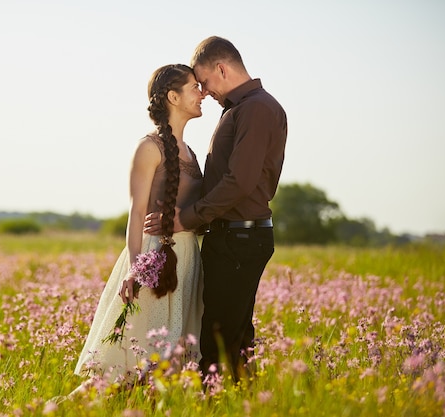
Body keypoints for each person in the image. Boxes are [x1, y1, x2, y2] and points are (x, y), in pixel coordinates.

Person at [145, 36, 287, 381]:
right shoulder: (242, 109)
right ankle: (239, 402)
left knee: (218, 341)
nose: (204, 92)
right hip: (232, 236)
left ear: (221, 68)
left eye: (204, 82)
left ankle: (219, 404)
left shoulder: (255, 108)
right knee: (234, 340)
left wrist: (186, 219)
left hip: (239, 238)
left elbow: (239, 181)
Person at [71, 64, 205, 389]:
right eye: (194, 87)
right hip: (154, 259)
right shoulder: (149, 147)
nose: (202, 93)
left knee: (169, 365)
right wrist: (135, 268)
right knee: (130, 364)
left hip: (187, 260)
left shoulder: (191, 152)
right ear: (174, 96)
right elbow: (137, 212)